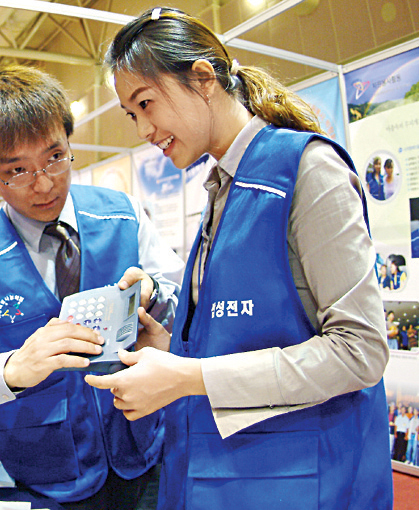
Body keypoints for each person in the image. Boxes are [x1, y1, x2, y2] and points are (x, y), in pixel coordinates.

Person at [86, 7, 392, 509]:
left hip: (303, 481)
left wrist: (187, 377)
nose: (143, 128)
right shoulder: (222, 190)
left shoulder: (308, 171)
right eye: (131, 114)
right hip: (227, 477)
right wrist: (169, 347)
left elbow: (360, 351)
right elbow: (246, 337)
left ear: (203, 79)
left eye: (146, 104)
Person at [0, 65, 184, 509]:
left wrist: (156, 294)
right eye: (17, 170)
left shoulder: (123, 216)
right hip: (42, 478)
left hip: (146, 453)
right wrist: (10, 369)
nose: (43, 183)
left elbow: (182, 299)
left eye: (55, 157)